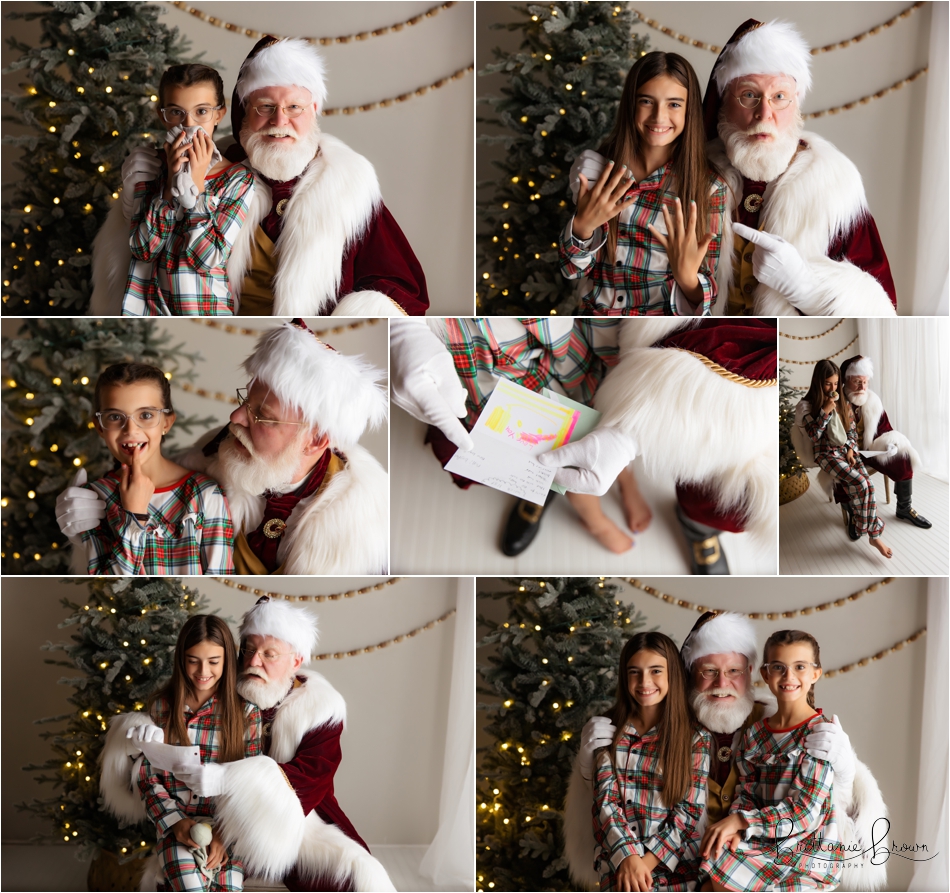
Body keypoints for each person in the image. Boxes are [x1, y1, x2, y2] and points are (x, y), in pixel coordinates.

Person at [92, 38, 427, 317]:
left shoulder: (346, 185)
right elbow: (144, 252)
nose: (279, 120)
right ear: (243, 113)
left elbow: (398, 286)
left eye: (294, 107)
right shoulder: (218, 165)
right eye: (265, 107)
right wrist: (138, 196)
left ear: (313, 112)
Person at [565, 611, 888, 892]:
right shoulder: (671, 725)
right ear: (690, 674)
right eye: (709, 671)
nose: (722, 682)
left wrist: (844, 770)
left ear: (750, 673)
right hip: (691, 864)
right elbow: (610, 801)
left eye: (733, 671)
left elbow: (827, 808)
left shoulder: (772, 722)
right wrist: (587, 766)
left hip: (771, 854)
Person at [102, 597, 395, 892]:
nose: (255, 662)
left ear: (295, 661)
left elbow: (312, 779)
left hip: (290, 819)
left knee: (352, 877)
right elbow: (156, 745)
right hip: (198, 818)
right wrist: (138, 730)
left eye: (270, 654)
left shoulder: (318, 709)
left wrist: (229, 782)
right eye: (250, 650)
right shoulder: (224, 687)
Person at [56, 320, 388, 575]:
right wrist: (84, 534)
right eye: (246, 399)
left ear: (315, 440)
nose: (235, 417)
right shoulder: (211, 455)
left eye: (262, 415)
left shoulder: (362, 533)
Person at [391, 317, 654, 556]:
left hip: (567, 356)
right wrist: (400, 330)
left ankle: (625, 480)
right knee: (560, 459)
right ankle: (593, 518)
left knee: (606, 427)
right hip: (485, 381)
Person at [704, 19, 897, 316]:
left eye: (779, 97)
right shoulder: (692, 174)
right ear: (722, 103)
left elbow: (881, 306)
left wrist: (806, 290)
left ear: (796, 104)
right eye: (749, 95)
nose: (763, 114)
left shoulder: (834, 186)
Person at [560, 51, 727, 316]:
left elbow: (706, 301)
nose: (659, 117)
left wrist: (687, 278)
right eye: (647, 101)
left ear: (689, 110)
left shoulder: (708, 187)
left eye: (674, 104)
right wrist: (582, 228)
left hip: (655, 335)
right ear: (631, 104)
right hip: (593, 324)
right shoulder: (598, 170)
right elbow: (572, 270)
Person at [117, 615, 262, 892]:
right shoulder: (162, 708)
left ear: (227, 661)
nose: (202, 671)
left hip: (226, 829)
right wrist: (175, 823)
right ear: (181, 659)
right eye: (193, 660)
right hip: (177, 826)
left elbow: (250, 785)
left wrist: (223, 834)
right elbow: (147, 778)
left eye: (213, 661)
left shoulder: (246, 713)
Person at [698, 630, 842, 891]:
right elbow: (747, 793)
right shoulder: (755, 733)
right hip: (762, 839)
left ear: (815, 674)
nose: (789, 677)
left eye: (800, 667)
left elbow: (804, 812)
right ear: (765, 674)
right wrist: (737, 822)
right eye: (778, 667)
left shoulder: (820, 733)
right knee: (711, 876)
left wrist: (742, 821)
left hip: (805, 849)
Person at [123, 63, 256, 316]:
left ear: (219, 114)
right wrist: (170, 184)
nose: (188, 124)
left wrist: (194, 189)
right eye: (176, 112)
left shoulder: (237, 179)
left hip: (204, 313)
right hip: (149, 312)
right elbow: (143, 249)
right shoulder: (148, 169)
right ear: (162, 115)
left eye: (202, 111)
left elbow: (206, 259)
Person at [80, 362, 234, 575]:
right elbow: (111, 586)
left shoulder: (205, 494)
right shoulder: (93, 499)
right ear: (100, 427)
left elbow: (220, 577)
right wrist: (134, 515)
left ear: (166, 422)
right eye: (115, 417)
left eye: (145, 415)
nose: (131, 429)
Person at [593, 632, 710, 891]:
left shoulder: (694, 738)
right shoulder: (608, 731)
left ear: (672, 675)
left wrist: (645, 863)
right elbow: (605, 803)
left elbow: (689, 811)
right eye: (635, 672)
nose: (645, 681)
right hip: (619, 863)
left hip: (675, 866)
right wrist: (628, 858)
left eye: (656, 671)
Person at [801, 359, 893, 558]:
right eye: (828, 384)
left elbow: (851, 432)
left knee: (868, 485)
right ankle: (871, 532)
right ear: (818, 382)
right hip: (826, 454)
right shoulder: (808, 405)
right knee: (859, 482)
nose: (833, 388)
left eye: (835, 383)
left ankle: (869, 533)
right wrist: (825, 410)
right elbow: (813, 435)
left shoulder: (843, 402)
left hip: (845, 451)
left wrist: (851, 450)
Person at [839, 355, 931, 529]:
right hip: (846, 454)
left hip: (869, 450)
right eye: (857, 381)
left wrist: (891, 444)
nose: (862, 387)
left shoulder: (873, 402)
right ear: (845, 380)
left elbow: (885, 428)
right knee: (842, 473)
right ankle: (852, 513)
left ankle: (904, 508)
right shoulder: (835, 404)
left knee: (904, 459)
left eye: (865, 382)